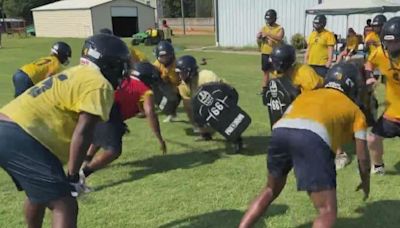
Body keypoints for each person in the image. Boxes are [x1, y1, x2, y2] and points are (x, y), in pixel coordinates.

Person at [0, 33, 130, 228]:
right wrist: (73, 174)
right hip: (23, 134)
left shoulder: (76, 72)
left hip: (8, 126)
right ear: (109, 63)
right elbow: (84, 131)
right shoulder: (99, 84)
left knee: (37, 195)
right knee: (65, 203)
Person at [239, 63, 370, 228]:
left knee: (270, 190)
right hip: (312, 137)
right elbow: (362, 156)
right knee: (327, 210)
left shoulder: (307, 94)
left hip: (280, 131)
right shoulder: (355, 111)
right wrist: (366, 182)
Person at [80, 62, 167, 184]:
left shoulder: (125, 80)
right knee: (113, 151)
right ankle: (81, 176)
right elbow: (150, 112)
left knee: (102, 135)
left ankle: (85, 161)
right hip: (111, 108)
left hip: (95, 103)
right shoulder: (145, 89)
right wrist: (159, 138)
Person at [365, 17, 400, 175]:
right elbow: (368, 64)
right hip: (393, 112)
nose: (390, 46)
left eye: (395, 42)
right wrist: (369, 76)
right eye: (388, 42)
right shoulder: (380, 53)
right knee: (373, 138)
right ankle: (378, 167)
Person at [176, 55, 224, 140]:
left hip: (223, 99)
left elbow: (220, 93)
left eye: (182, 73)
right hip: (206, 103)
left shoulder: (206, 76)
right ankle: (205, 133)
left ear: (190, 71)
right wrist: (195, 122)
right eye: (178, 73)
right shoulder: (183, 86)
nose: (180, 76)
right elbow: (188, 106)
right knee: (192, 108)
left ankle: (236, 137)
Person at [257, 9, 285, 89]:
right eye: (267, 19)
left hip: (275, 53)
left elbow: (279, 38)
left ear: (274, 18)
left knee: (276, 72)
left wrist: (268, 34)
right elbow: (260, 39)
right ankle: (264, 89)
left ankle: (280, 88)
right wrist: (259, 37)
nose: (268, 21)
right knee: (265, 72)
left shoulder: (279, 28)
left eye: (270, 19)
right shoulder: (264, 28)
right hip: (265, 53)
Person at [153, 41, 180, 122]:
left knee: (189, 103)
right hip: (168, 84)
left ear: (171, 54)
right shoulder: (156, 64)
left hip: (181, 85)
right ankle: (171, 113)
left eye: (166, 56)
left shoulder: (177, 64)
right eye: (162, 56)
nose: (164, 58)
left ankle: (197, 123)